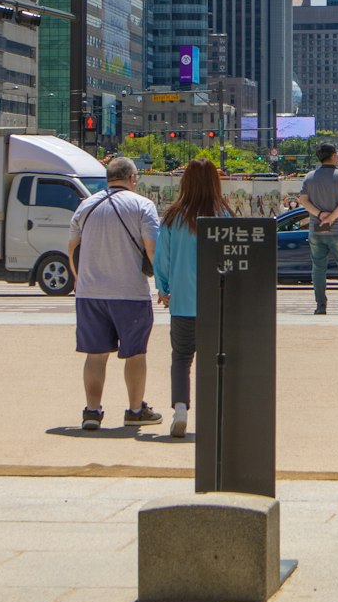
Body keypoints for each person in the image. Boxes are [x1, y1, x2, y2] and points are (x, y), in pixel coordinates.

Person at [68, 156, 162, 431]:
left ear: (108, 178)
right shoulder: (143, 205)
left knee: (95, 355)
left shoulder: (85, 206)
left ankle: (92, 412)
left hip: (89, 293)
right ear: (132, 179)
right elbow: (152, 248)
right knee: (135, 354)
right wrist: (162, 284)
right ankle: (135, 410)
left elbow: (72, 247)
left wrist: (78, 279)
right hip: (130, 293)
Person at [154, 158, 230, 438]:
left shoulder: (174, 216)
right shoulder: (223, 215)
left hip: (183, 302)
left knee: (182, 357)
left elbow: (162, 259)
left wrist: (163, 290)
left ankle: (181, 409)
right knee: (215, 359)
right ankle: (214, 414)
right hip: (217, 303)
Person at [298, 142, 338, 315]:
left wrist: (320, 215)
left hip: (316, 228)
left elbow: (303, 200)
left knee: (318, 268)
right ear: (333, 156)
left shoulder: (309, 177)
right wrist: (332, 218)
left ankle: (321, 306)